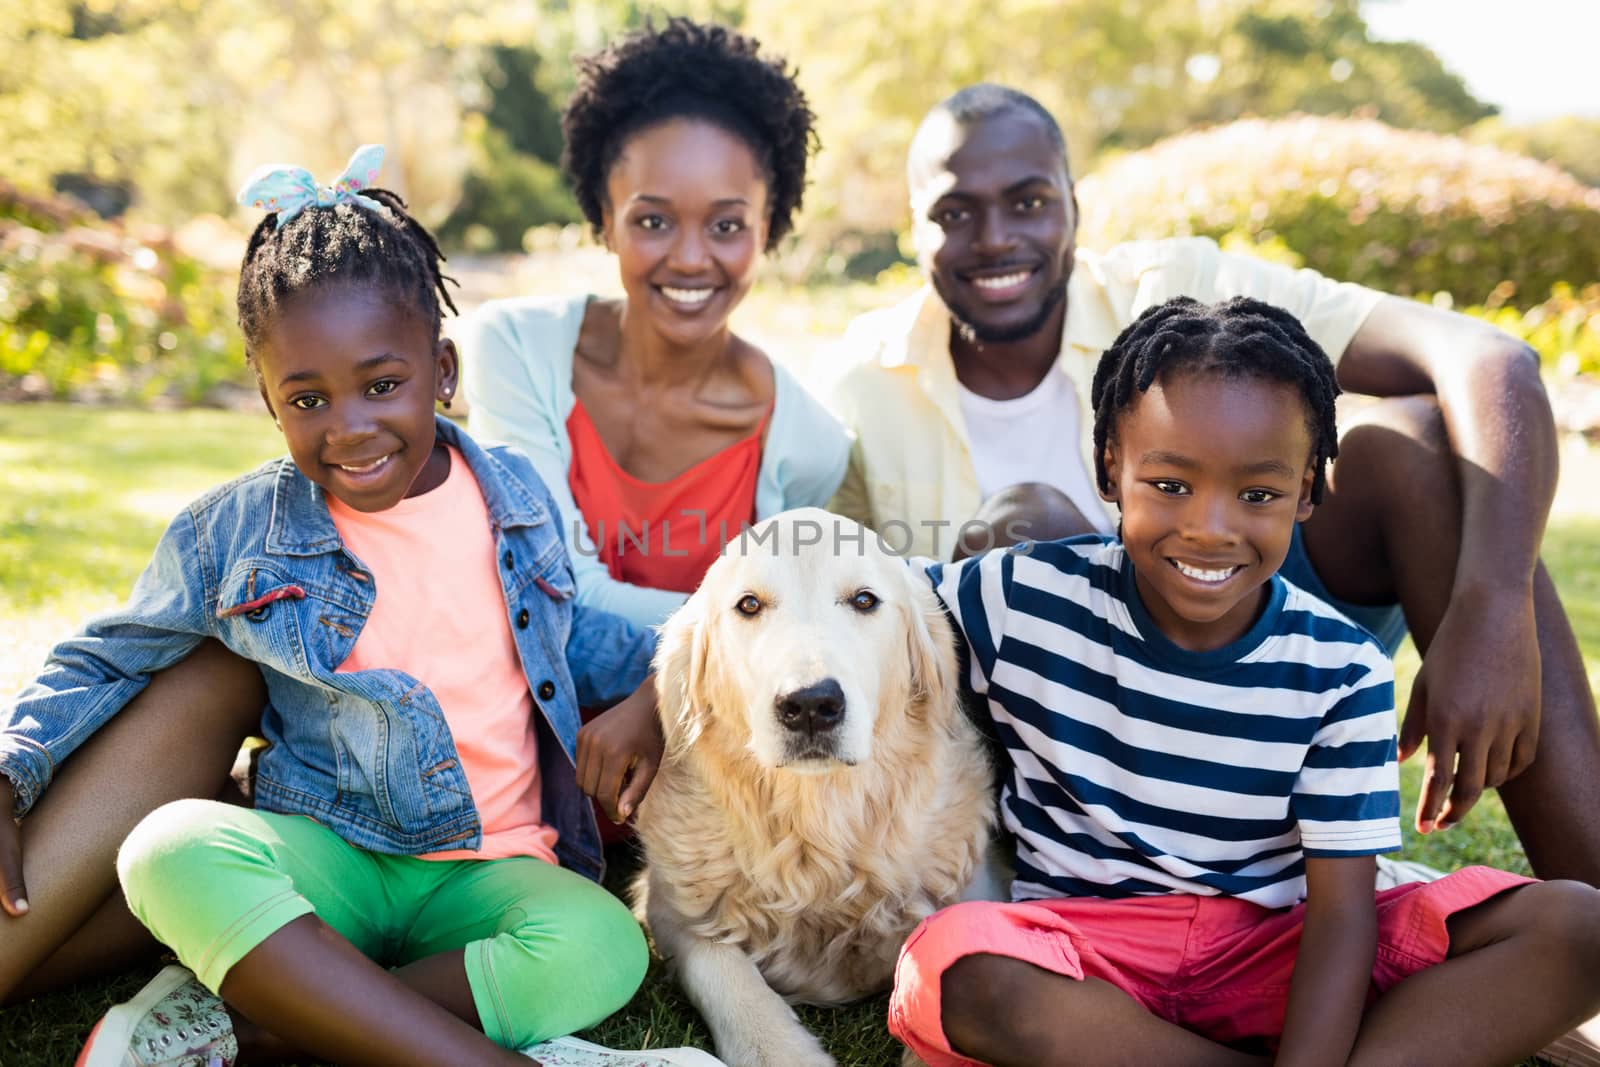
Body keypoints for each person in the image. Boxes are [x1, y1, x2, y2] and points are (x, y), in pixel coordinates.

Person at [827, 83, 1600, 883]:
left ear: (1073, 203)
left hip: (1250, 651)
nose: (995, 238)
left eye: (1027, 201)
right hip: (1059, 747)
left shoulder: (1173, 288)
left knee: (1409, 445)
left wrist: (1493, 611)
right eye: (954, 213)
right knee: (1032, 528)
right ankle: (1164, 883)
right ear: (911, 225)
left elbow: (1489, 359)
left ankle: (1592, 907)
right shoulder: (861, 384)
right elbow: (823, 607)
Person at [2, 147, 656, 1067]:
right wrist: (10, 767)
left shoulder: (511, 498)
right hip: (331, 863)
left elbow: (582, 637)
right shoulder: (238, 531)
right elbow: (108, 655)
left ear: (442, 369)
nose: (349, 426)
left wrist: (659, 689)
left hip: (492, 876)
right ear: (270, 404)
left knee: (606, 943)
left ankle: (290, 1027)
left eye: (382, 385)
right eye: (307, 398)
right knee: (166, 847)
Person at [887, 295, 1600, 1067]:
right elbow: (863, 601)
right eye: (1169, 484)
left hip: (1272, 954)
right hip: (1087, 961)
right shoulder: (1017, 597)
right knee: (949, 967)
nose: (1210, 526)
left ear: (1308, 493)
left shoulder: (1342, 670)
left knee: (1578, 926)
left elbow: (1339, 920)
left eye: (1257, 494)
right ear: (1109, 470)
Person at [459, 18, 850, 638]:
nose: (692, 259)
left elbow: (794, 636)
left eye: (726, 226)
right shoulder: (515, 351)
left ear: (768, 226)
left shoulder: (806, 445)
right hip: (524, 731)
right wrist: (742, 618)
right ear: (604, 217)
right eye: (653, 222)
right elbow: (558, 589)